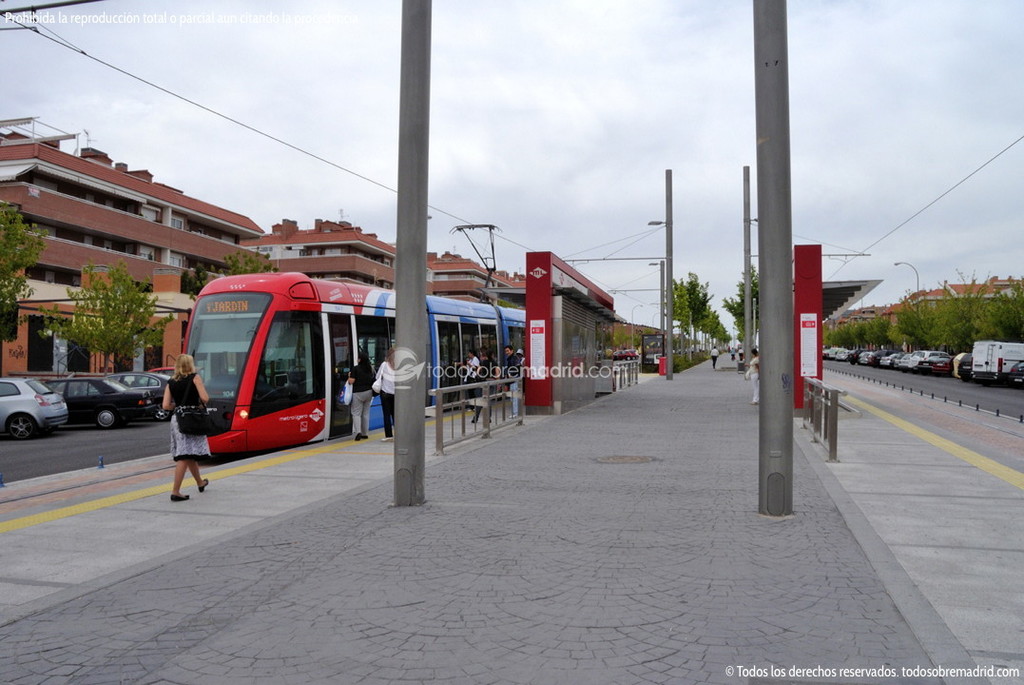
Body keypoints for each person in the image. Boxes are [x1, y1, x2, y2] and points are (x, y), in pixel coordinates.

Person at [163, 354, 211, 502]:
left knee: (188, 452)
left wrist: (179, 406)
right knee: (184, 455)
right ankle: (175, 491)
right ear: (190, 364)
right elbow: (205, 399)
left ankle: (200, 482)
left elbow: (165, 405)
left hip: (178, 420)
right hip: (192, 419)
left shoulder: (171, 382)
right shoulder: (195, 378)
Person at [348, 353, 375, 440]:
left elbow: (351, 381)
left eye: (358, 358)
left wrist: (349, 376)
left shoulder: (356, 368)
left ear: (360, 359)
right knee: (365, 413)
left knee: (356, 413)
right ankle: (365, 433)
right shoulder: (370, 369)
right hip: (369, 392)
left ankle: (358, 432)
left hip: (358, 393)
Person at [376, 347, 396, 442]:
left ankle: (389, 435)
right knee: (395, 415)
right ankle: (399, 434)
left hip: (385, 393)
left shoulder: (384, 365)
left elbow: (377, 376)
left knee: (386, 415)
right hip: (396, 394)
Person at [504, 345, 523, 419]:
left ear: (512, 350)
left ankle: (515, 413)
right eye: (506, 351)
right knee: (513, 397)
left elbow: (517, 368)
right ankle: (515, 412)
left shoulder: (514, 358)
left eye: (508, 351)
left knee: (514, 397)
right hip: (513, 380)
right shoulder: (511, 358)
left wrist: (511, 374)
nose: (507, 352)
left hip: (514, 380)